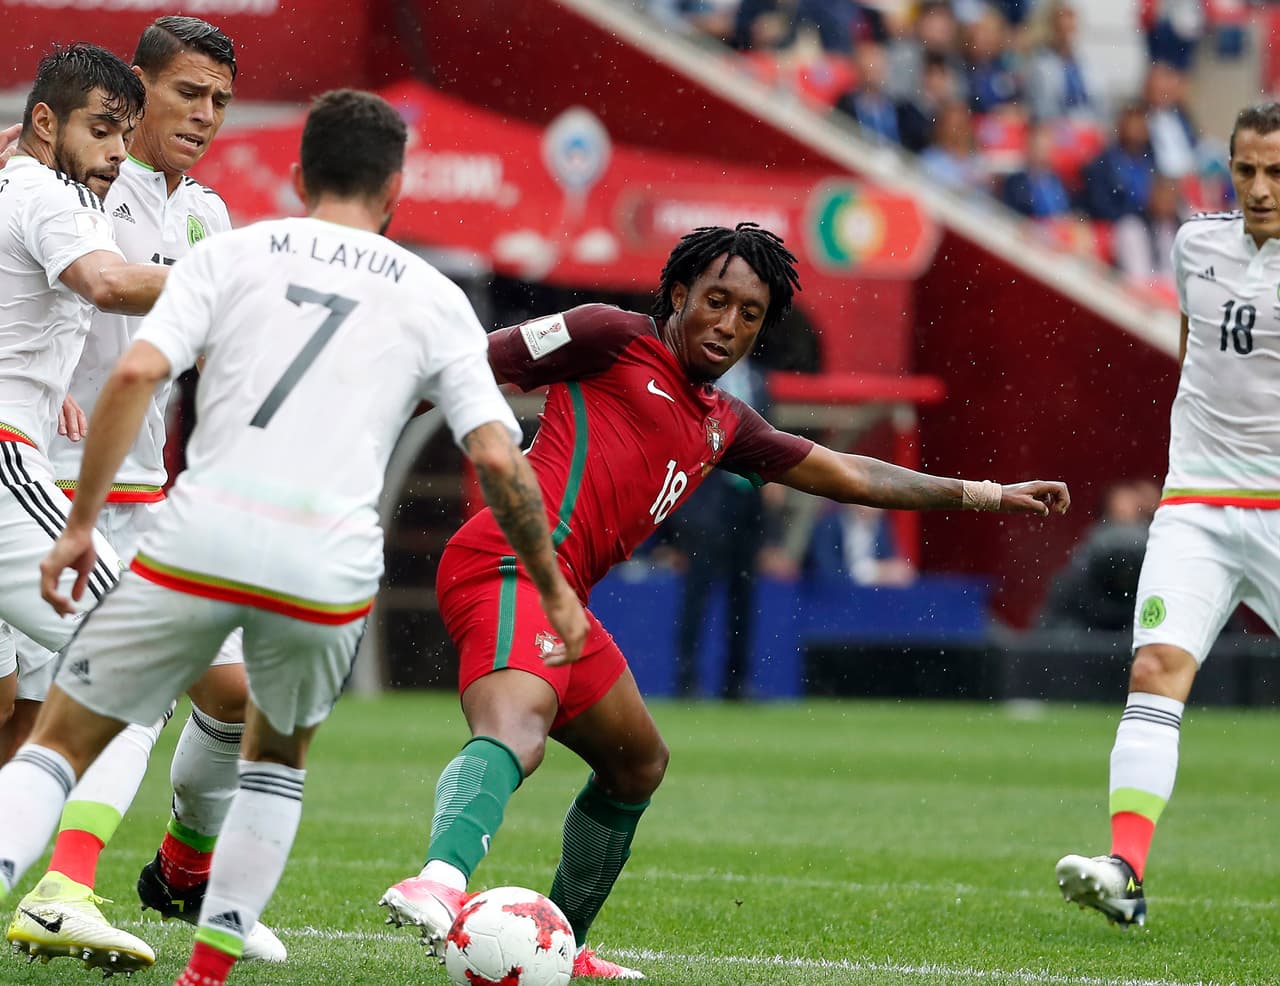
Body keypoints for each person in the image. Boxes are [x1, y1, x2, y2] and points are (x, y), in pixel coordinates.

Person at [0, 88, 586, 986]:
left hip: (203, 532)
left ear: (300, 175)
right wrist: (550, 586)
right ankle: (206, 973)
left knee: (63, 737)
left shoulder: (232, 254)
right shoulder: (432, 297)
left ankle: (56, 875)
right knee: (275, 765)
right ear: (395, 189)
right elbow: (501, 459)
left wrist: (80, 526)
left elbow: (135, 375)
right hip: (327, 566)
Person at [378, 222, 1070, 980]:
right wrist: (359, 430)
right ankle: (438, 880)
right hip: (509, 559)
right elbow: (467, 364)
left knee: (637, 764)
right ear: (679, 294)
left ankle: (561, 945)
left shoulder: (726, 422)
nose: (728, 324)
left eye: (749, 314)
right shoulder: (609, 335)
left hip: (564, 594)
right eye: (716, 301)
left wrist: (982, 493)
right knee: (518, 726)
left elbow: (849, 474)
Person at [2, 17, 289, 968]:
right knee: (67, 697)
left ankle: (175, 872)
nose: (204, 116)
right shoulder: (77, 180)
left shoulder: (206, 214)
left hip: (137, 493)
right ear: (134, 89)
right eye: (187, 93)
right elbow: (102, 284)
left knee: (220, 687)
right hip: (45, 481)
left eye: (220, 101)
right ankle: (67, 888)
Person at [1055, 103, 1280, 928]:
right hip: (1197, 506)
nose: (1260, 188)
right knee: (1154, 668)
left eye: (1277, 173)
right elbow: (1196, 358)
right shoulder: (1196, 246)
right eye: (1247, 170)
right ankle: (1125, 871)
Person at [0, 39, 166, 968]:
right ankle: (61, 892)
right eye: (102, 130)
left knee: (20, 718)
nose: (115, 152)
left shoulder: (20, 182)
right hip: (4, 462)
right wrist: (240, 284)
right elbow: (105, 284)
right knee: (139, 655)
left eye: (124, 134)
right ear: (44, 122)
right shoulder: (42, 193)